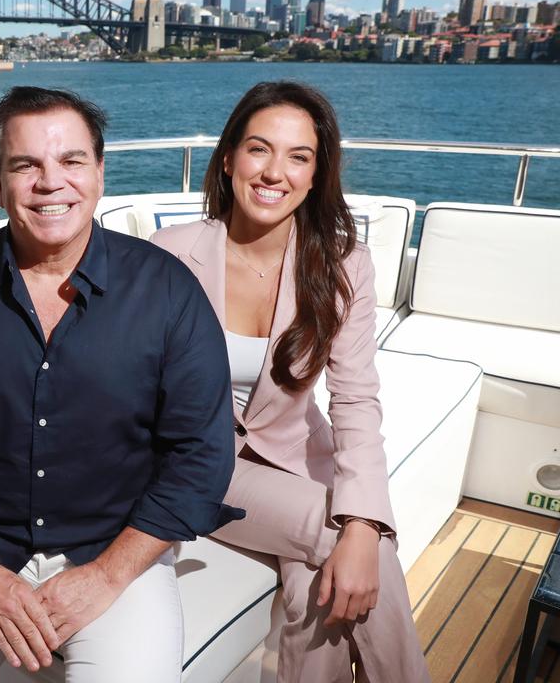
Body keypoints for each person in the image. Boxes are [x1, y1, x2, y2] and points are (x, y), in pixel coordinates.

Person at [0, 86, 243, 683]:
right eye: (26, 166)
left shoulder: (169, 291)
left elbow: (201, 456)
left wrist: (107, 576)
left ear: (100, 173)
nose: (51, 183)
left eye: (72, 161)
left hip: (118, 543)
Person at [151, 81, 430, 683]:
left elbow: (355, 397)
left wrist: (362, 516)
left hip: (300, 461)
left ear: (315, 174)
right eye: (258, 149)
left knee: (317, 588)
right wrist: (358, 531)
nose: (274, 171)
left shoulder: (340, 263)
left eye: (298, 156)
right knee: (357, 547)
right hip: (197, 464)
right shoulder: (167, 257)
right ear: (228, 160)